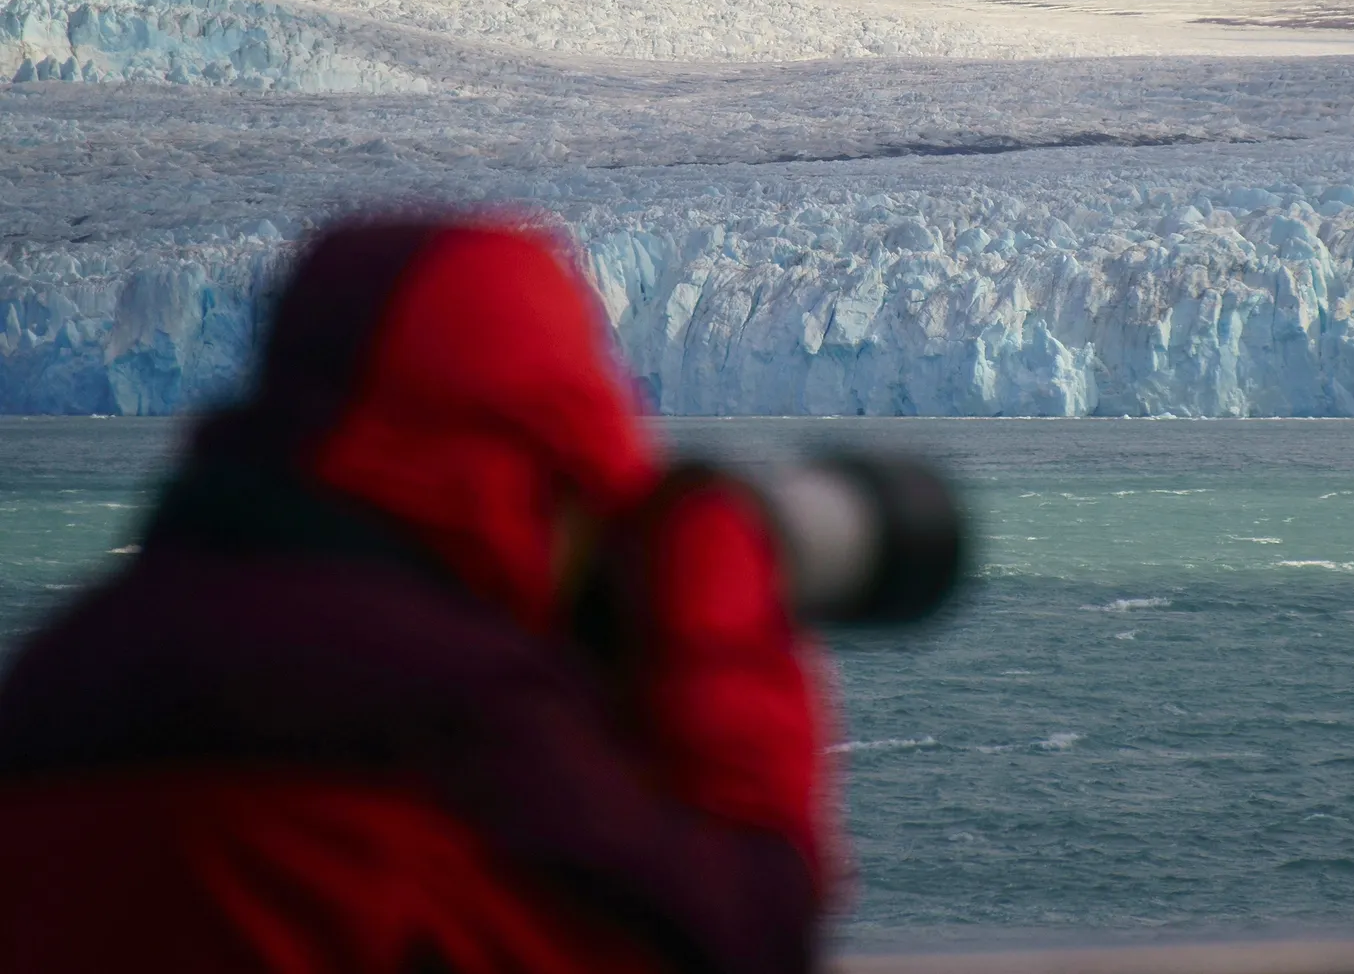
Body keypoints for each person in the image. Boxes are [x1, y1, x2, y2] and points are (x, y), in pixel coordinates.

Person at [0, 217, 838, 973]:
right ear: (541, 464)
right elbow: (724, 940)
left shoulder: (58, 677)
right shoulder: (460, 719)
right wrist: (721, 640)